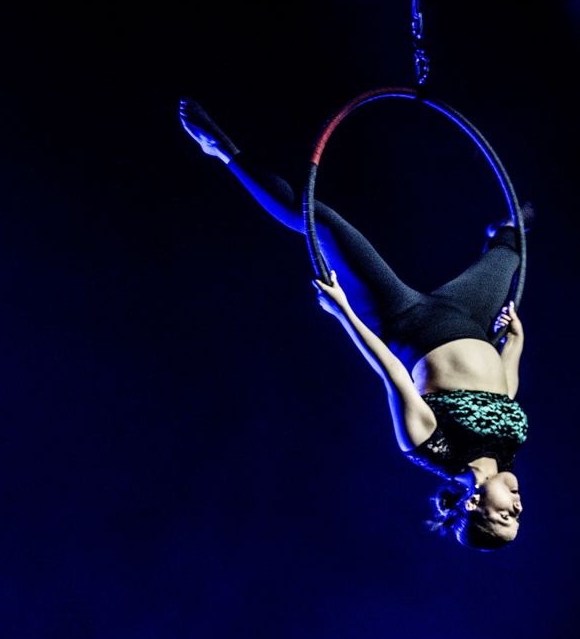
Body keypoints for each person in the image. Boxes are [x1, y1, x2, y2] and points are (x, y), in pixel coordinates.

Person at [180, 99, 526, 551]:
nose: (518, 506)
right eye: (519, 515)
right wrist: (514, 345)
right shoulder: (508, 452)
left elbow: (391, 372)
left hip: (408, 320)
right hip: (470, 316)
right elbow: (504, 395)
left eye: (505, 516)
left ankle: (223, 152)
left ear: (473, 503)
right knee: (513, 245)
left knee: (320, 220)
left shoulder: (431, 450)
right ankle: (502, 233)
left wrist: (343, 311)